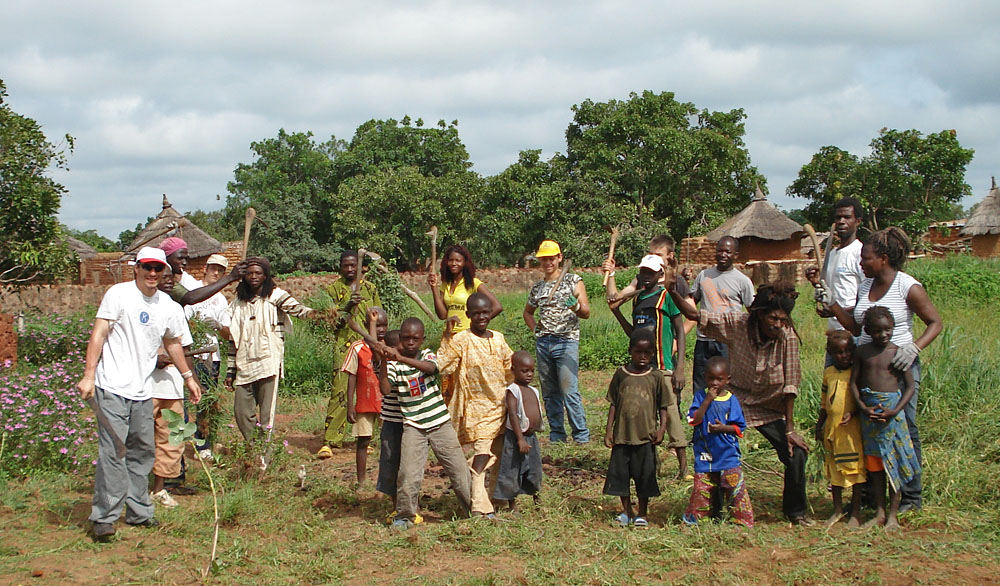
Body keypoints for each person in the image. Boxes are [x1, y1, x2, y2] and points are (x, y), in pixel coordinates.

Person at [76, 247, 202, 542]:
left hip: (143, 391)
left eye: (158, 269)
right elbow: (99, 334)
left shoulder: (168, 307)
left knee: (143, 452)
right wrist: (89, 375)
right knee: (114, 452)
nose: (153, 274)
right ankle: (105, 517)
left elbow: (173, 343)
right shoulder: (118, 295)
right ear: (137, 268)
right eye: (148, 267)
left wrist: (188, 378)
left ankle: (139, 511)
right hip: (112, 388)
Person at [669, 280, 812, 525]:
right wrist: (673, 290)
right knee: (712, 445)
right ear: (758, 315)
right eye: (773, 319)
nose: (777, 325)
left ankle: (795, 511)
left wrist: (789, 429)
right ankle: (712, 508)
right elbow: (695, 314)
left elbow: (791, 385)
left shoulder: (787, 337)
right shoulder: (738, 324)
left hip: (769, 406)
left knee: (796, 453)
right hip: (733, 400)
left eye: (782, 319)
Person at [824, 227, 942, 512]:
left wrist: (913, 349)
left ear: (884, 259)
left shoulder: (908, 287)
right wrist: (832, 304)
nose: (861, 264)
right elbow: (854, 326)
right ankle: (871, 495)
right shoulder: (866, 286)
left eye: (866, 259)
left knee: (903, 428)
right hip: (866, 370)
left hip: (897, 370)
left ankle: (910, 495)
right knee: (866, 428)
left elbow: (935, 323)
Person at [381, 318, 472, 529]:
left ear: (422, 339)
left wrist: (401, 358)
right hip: (413, 427)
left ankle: (473, 509)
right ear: (401, 339)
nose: (410, 342)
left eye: (415, 338)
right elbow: (385, 389)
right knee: (408, 475)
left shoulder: (427, 355)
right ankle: (405, 515)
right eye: (405, 339)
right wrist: (385, 359)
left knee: (459, 472)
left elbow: (431, 369)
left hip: (440, 424)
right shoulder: (394, 365)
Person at [225, 257, 315, 458]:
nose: (254, 277)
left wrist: (321, 315)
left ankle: (263, 456)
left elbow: (299, 310)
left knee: (267, 415)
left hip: (268, 362)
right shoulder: (238, 304)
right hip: (244, 364)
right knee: (241, 413)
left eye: (258, 273)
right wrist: (230, 370)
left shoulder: (276, 296)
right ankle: (253, 447)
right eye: (249, 273)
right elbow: (233, 339)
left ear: (265, 275)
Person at [608, 254, 688, 479]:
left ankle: (683, 469)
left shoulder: (666, 297)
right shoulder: (637, 299)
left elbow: (680, 332)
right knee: (647, 419)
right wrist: (616, 312)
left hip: (663, 367)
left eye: (651, 273)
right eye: (643, 272)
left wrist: (680, 367)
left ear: (660, 274)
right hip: (642, 370)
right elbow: (634, 335)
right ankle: (651, 467)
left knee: (671, 416)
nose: (646, 277)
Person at [437, 292, 514, 517]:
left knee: (499, 455)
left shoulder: (498, 339)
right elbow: (443, 364)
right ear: (468, 315)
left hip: (501, 407)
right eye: (476, 313)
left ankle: (496, 498)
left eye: (485, 313)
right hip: (476, 410)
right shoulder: (461, 339)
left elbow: (511, 369)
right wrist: (446, 334)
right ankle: (479, 506)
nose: (481, 317)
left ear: (491, 313)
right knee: (481, 458)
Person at [603, 328, 685, 528]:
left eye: (647, 353)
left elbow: (663, 406)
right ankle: (626, 511)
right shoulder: (621, 374)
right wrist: (608, 431)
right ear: (630, 351)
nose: (642, 357)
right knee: (620, 476)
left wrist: (662, 429)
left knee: (645, 477)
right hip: (622, 436)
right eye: (638, 352)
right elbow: (613, 403)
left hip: (645, 437)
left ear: (653, 355)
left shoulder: (656, 376)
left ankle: (642, 513)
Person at [850, 306, 918, 532]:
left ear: (893, 328)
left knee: (893, 463)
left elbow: (909, 386)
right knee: (875, 465)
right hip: (870, 415)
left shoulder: (897, 352)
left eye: (888, 330)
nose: (883, 335)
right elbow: (854, 383)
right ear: (868, 330)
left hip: (892, 416)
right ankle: (879, 512)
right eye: (878, 331)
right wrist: (862, 408)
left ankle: (892, 515)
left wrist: (896, 410)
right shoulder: (862, 352)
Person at [522, 240, 591, 443]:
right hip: (544, 343)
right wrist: (535, 329)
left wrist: (576, 307)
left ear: (559, 258)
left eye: (551, 259)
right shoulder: (538, 288)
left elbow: (586, 312)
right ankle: (557, 435)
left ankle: (581, 436)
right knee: (550, 392)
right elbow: (528, 312)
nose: (548, 263)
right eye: (544, 260)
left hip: (566, 341)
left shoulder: (573, 281)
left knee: (569, 390)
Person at [318, 250, 381, 458]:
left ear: (360, 266)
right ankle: (331, 440)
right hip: (343, 346)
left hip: (367, 345)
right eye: (346, 265)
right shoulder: (332, 290)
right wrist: (347, 306)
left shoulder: (370, 289)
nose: (350, 269)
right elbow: (329, 322)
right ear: (340, 267)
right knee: (340, 390)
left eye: (354, 265)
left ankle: (364, 438)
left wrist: (378, 342)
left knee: (368, 391)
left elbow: (379, 318)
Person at [683, 356, 753, 528]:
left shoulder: (731, 400)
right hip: (705, 452)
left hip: (727, 453)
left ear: (727, 379)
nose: (714, 383)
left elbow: (739, 428)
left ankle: (741, 519)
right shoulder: (700, 397)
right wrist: (707, 400)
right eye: (710, 378)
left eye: (719, 379)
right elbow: (693, 420)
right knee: (702, 487)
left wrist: (723, 428)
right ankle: (699, 518)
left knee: (734, 486)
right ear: (705, 377)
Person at [147, 270, 196, 509]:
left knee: (171, 440)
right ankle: (132, 489)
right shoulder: (134, 304)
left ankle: (159, 489)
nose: (165, 280)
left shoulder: (175, 310)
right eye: (160, 275)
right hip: (143, 387)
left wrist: (191, 381)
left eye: (170, 278)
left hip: (172, 387)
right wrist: (152, 360)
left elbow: (182, 348)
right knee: (140, 439)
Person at [690, 236, 755, 393]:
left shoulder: (742, 281)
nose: (723, 254)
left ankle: (725, 416)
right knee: (700, 384)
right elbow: (692, 301)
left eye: (728, 251)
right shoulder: (704, 276)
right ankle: (700, 416)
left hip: (728, 341)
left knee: (727, 385)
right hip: (704, 339)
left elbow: (752, 312)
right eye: (720, 250)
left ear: (736, 255)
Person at [184, 253, 233, 461]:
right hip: (189, 355)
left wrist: (219, 326)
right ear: (205, 268)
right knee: (186, 400)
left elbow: (228, 333)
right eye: (213, 268)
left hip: (211, 357)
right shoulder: (191, 291)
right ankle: (180, 442)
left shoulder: (220, 299)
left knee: (207, 402)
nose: (216, 273)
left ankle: (204, 443)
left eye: (220, 270)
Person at [815, 330, 865, 528]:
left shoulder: (856, 372)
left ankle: (855, 511)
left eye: (847, 352)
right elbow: (824, 403)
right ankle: (837, 509)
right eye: (838, 353)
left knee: (855, 470)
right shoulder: (829, 373)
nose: (843, 356)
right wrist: (820, 424)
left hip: (851, 431)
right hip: (832, 430)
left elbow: (863, 400)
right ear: (830, 353)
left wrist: (853, 413)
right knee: (833, 469)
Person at [604, 234, 696, 339]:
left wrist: (676, 341)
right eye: (651, 254)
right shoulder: (641, 280)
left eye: (659, 255)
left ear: (670, 255)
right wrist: (611, 274)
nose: (654, 258)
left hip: (664, 345)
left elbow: (692, 316)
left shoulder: (677, 282)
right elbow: (615, 300)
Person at [375, 330, 423, 525]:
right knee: (390, 464)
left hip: (410, 424)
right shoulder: (386, 367)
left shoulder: (410, 364)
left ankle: (412, 507)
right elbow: (385, 389)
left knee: (409, 468)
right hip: (392, 424)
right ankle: (396, 506)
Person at [805, 198, 864, 342]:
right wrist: (816, 283)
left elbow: (868, 298)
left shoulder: (861, 253)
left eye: (847, 217)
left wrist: (836, 311)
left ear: (858, 221)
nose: (841, 221)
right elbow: (833, 290)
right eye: (838, 217)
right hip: (834, 333)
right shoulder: (832, 254)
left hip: (854, 333)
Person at [493, 351, 543, 513]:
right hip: (515, 438)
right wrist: (519, 439)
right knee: (512, 470)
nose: (529, 375)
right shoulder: (513, 390)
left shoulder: (533, 390)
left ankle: (537, 501)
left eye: (531, 371)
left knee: (534, 469)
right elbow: (513, 414)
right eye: (524, 371)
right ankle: (512, 505)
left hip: (531, 437)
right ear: (513, 370)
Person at [344, 307, 388, 485]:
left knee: (387, 441)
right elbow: (351, 375)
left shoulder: (390, 345)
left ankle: (386, 479)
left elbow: (378, 353)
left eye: (384, 325)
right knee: (363, 441)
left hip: (386, 402)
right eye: (377, 325)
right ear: (366, 324)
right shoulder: (357, 348)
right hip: (365, 400)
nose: (381, 329)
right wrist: (350, 404)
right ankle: (361, 480)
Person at [428, 244, 503, 332]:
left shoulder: (473, 283)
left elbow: (497, 306)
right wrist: (434, 288)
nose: (454, 263)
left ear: (464, 263)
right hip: (449, 335)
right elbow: (442, 315)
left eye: (458, 260)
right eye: (451, 260)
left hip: (467, 334)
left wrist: (479, 324)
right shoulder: (445, 285)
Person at [157, 237, 245, 307]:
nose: (184, 262)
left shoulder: (220, 299)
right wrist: (230, 278)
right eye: (180, 258)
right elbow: (190, 298)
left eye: (220, 270)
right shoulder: (161, 280)